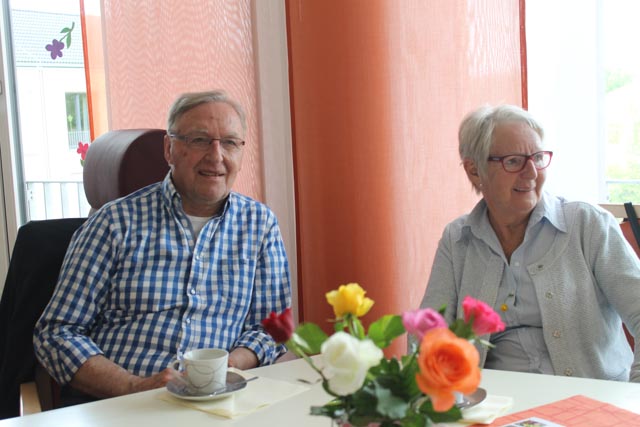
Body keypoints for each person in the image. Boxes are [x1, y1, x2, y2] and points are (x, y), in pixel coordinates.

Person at [33, 90, 292, 399]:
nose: (216, 156)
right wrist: (131, 386)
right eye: (199, 140)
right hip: (120, 405)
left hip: (220, 404)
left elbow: (272, 329)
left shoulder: (259, 225)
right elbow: (57, 333)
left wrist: (228, 368)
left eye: (230, 143)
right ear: (169, 149)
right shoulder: (114, 223)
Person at [421, 104, 640, 382]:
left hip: (588, 396)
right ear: (474, 170)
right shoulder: (458, 239)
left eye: (537, 158)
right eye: (513, 161)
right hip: (494, 399)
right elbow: (429, 333)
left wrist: (633, 394)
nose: (532, 172)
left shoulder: (588, 224)